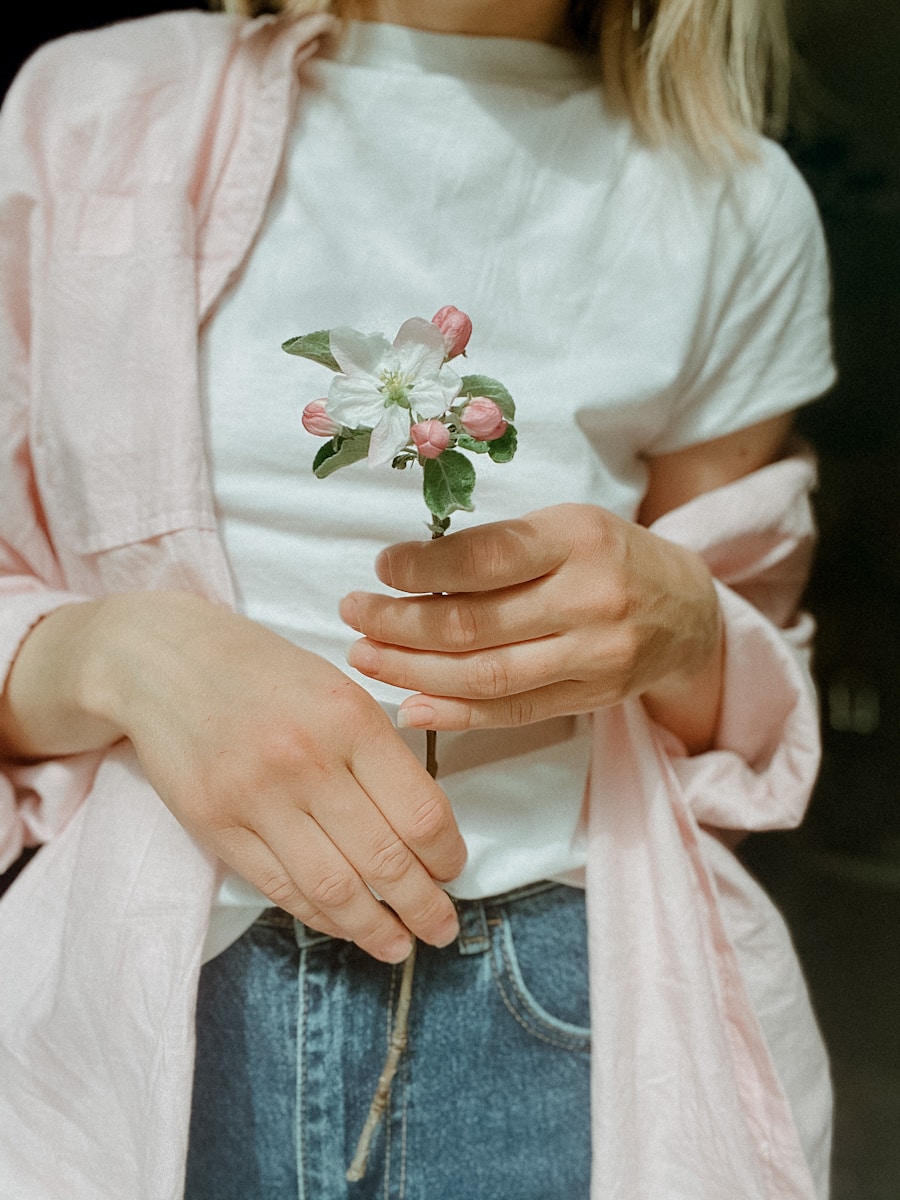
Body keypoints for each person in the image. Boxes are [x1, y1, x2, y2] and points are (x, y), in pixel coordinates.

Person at [0, 0, 835, 1197]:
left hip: (553, 995)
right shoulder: (89, 110)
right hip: (140, 990)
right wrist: (118, 654)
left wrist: (687, 622)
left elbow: (741, 726)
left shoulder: (735, 199)